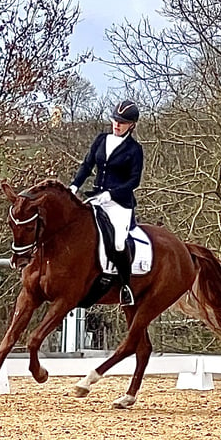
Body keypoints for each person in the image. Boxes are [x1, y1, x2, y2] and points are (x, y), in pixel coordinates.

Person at [69, 100, 144, 306]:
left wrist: (112, 194)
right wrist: (74, 186)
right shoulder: (101, 140)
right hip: (97, 197)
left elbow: (133, 181)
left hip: (119, 203)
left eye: (122, 122)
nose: (116, 125)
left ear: (132, 125)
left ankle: (125, 286)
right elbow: (87, 164)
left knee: (119, 242)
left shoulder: (134, 149)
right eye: (115, 120)